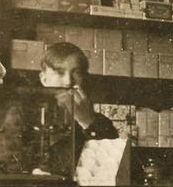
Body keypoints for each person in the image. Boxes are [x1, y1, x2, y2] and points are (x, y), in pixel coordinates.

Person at [38, 42, 118, 172]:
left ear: (85, 78)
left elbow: (110, 169)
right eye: (59, 72)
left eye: (76, 73)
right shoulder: (23, 117)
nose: (68, 81)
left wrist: (87, 121)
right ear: (44, 79)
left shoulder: (102, 124)